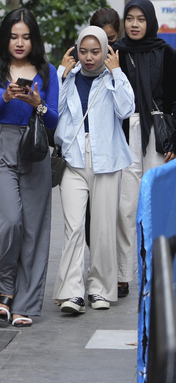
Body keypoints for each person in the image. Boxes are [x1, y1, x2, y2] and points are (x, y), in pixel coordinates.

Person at [0, 8, 59, 327]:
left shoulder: (47, 71)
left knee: (35, 229)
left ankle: (26, 303)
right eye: (13, 36)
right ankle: (5, 289)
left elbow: (55, 122)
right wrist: (5, 99)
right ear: (5, 38)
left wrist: (39, 105)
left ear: (33, 38)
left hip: (34, 148)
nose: (19, 43)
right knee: (9, 221)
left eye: (25, 36)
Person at [53, 26, 134, 313]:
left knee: (101, 228)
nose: (89, 57)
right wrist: (60, 74)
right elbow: (54, 111)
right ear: (76, 51)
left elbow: (126, 110)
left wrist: (117, 72)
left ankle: (100, 289)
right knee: (73, 227)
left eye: (95, 51)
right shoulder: (69, 77)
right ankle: (72, 292)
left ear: (105, 51)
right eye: (83, 51)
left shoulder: (112, 78)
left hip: (107, 160)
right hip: (73, 159)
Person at [115, 0, 176, 300]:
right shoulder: (118, 55)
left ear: (149, 21)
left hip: (156, 136)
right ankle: (124, 275)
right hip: (126, 134)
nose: (135, 24)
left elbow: (175, 100)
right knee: (125, 208)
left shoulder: (166, 53)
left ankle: (156, 270)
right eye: (129, 18)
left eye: (140, 18)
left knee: (156, 207)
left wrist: (174, 140)